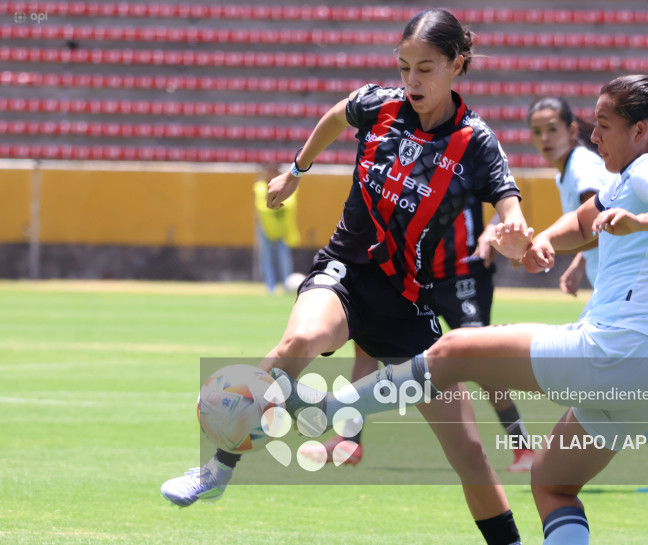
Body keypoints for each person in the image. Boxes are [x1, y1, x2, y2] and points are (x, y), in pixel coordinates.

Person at [274, 72, 648, 544]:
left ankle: (329, 407)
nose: (594, 135)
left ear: (640, 131)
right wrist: (542, 240)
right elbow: (583, 221)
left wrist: (638, 220)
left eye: (603, 124)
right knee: (552, 483)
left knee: (456, 350)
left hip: (619, 352)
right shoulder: (629, 178)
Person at [162, 9, 528, 545]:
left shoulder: (474, 141)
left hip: (408, 304)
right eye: (404, 66)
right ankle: (217, 470)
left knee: (468, 451)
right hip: (346, 271)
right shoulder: (379, 105)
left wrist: (513, 225)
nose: (413, 81)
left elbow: (507, 200)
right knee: (301, 338)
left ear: (457, 65)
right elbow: (337, 116)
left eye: (426, 68)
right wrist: (298, 169)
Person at [528, 96, 648, 492]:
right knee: (621, 385)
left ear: (571, 130)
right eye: (537, 131)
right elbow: (593, 219)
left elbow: (606, 214)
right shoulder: (575, 169)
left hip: (628, 299)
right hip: (618, 295)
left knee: (615, 376)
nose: (544, 138)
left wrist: (579, 255)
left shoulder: (591, 166)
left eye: (552, 129)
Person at [302, 197, 536, 473]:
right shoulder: (403, 158)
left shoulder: (472, 155)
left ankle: (523, 446)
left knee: (479, 356)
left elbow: (506, 198)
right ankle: (349, 442)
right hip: (410, 272)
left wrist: (491, 229)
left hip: (461, 272)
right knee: (365, 347)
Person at [253, 171, 300, 294]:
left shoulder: (287, 186)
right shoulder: (261, 188)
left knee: (284, 258)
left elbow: (289, 205)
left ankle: (287, 286)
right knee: (266, 257)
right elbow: (260, 206)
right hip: (266, 228)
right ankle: (270, 288)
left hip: (282, 229)